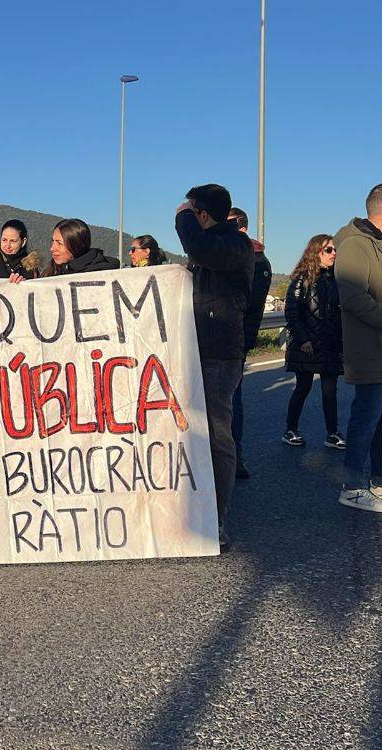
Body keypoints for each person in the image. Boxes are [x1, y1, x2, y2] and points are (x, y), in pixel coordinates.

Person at [174, 184, 254, 549]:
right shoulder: (214, 250)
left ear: (203, 215)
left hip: (219, 354)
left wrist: (182, 218)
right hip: (198, 349)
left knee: (217, 436)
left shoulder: (234, 245)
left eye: (193, 212)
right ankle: (196, 510)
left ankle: (216, 518)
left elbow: (199, 247)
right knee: (195, 433)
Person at [334, 183, 382, 513]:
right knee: (366, 417)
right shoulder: (356, 245)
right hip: (373, 348)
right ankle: (352, 486)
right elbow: (353, 298)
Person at [282, 235, 345, 449]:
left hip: (330, 344)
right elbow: (292, 312)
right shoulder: (301, 279)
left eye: (334, 250)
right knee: (303, 387)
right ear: (316, 252)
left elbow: (339, 314)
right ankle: (290, 429)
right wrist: (303, 339)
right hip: (307, 345)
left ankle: (332, 433)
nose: (333, 253)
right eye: (328, 250)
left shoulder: (335, 279)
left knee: (330, 390)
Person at [226, 208, 272, 481]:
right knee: (232, 398)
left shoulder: (250, 260)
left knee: (231, 399)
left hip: (233, 338)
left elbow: (247, 304)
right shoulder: (257, 259)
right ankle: (232, 456)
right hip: (238, 337)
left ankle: (233, 456)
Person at [40, 219, 118, 276]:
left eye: (59, 243)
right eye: (53, 241)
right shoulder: (51, 273)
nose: (52, 248)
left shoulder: (103, 274)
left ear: (76, 245)